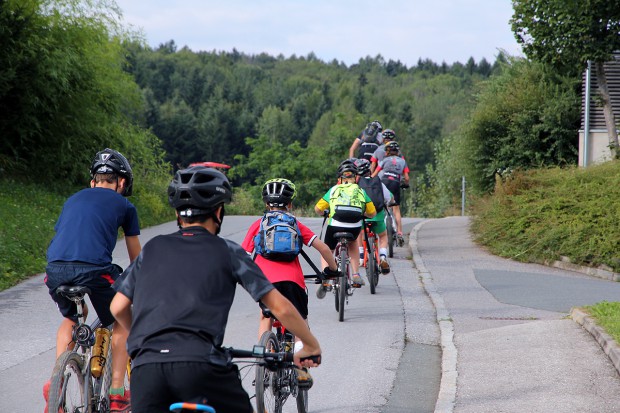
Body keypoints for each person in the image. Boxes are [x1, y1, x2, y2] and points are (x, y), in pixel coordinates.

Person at [110, 166, 321, 413]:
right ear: (219, 211)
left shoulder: (153, 248)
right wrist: (310, 345)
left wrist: (141, 339)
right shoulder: (227, 251)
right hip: (202, 366)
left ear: (178, 215)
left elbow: (117, 307)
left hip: (147, 372)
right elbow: (279, 306)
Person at [44, 148, 140, 413]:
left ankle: (57, 383)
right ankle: (118, 393)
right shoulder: (125, 205)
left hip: (55, 270)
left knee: (73, 318)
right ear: (121, 182)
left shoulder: (73, 199)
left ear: (93, 181)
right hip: (94, 271)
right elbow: (137, 260)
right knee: (121, 319)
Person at [241, 178, 338, 388]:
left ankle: (264, 358)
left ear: (266, 203)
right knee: (300, 323)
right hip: (293, 282)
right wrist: (332, 269)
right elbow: (323, 248)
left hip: (265, 283)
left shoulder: (258, 225)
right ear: (290, 204)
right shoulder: (295, 223)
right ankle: (301, 368)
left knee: (265, 316)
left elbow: (243, 256)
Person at [314, 159, 376, 292]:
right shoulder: (360, 191)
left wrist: (325, 212)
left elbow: (317, 209)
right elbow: (372, 213)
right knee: (353, 244)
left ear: (340, 178)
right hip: (354, 227)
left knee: (327, 249)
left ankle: (326, 277)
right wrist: (363, 213)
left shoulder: (334, 190)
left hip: (335, 225)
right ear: (356, 177)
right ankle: (355, 274)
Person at [354, 158, 394, 274]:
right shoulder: (378, 182)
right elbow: (389, 198)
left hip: (362, 217)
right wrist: (391, 202)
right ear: (369, 171)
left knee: (359, 233)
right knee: (382, 236)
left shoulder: (356, 186)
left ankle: (361, 257)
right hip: (377, 216)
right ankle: (382, 257)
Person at [372, 141, 410, 241]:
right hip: (395, 183)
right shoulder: (402, 161)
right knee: (396, 209)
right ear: (397, 151)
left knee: (383, 204)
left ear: (387, 152)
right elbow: (406, 177)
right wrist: (405, 184)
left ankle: (382, 225)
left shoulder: (384, 160)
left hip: (384, 182)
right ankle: (400, 233)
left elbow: (375, 173)